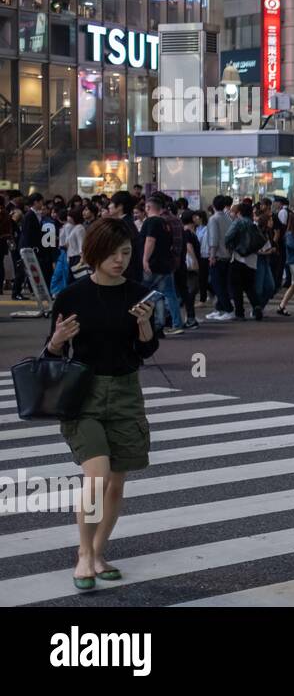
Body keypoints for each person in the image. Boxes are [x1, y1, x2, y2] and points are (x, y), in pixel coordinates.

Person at [43, 217, 159, 591]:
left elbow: (145, 350)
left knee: (116, 484)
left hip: (125, 392)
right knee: (96, 478)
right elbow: (50, 355)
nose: (119, 260)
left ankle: (98, 551)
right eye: (111, 253)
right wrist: (58, 339)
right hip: (84, 394)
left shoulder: (138, 294)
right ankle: (83, 553)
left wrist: (145, 327)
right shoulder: (71, 297)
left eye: (125, 252)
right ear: (93, 254)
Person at [140, 194, 184, 335]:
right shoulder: (166, 223)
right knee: (168, 294)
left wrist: (145, 259)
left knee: (145, 293)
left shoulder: (151, 222)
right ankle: (176, 323)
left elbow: (150, 241)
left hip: (153, 264)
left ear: (148, 207)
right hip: (166, 263)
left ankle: (156, 324)